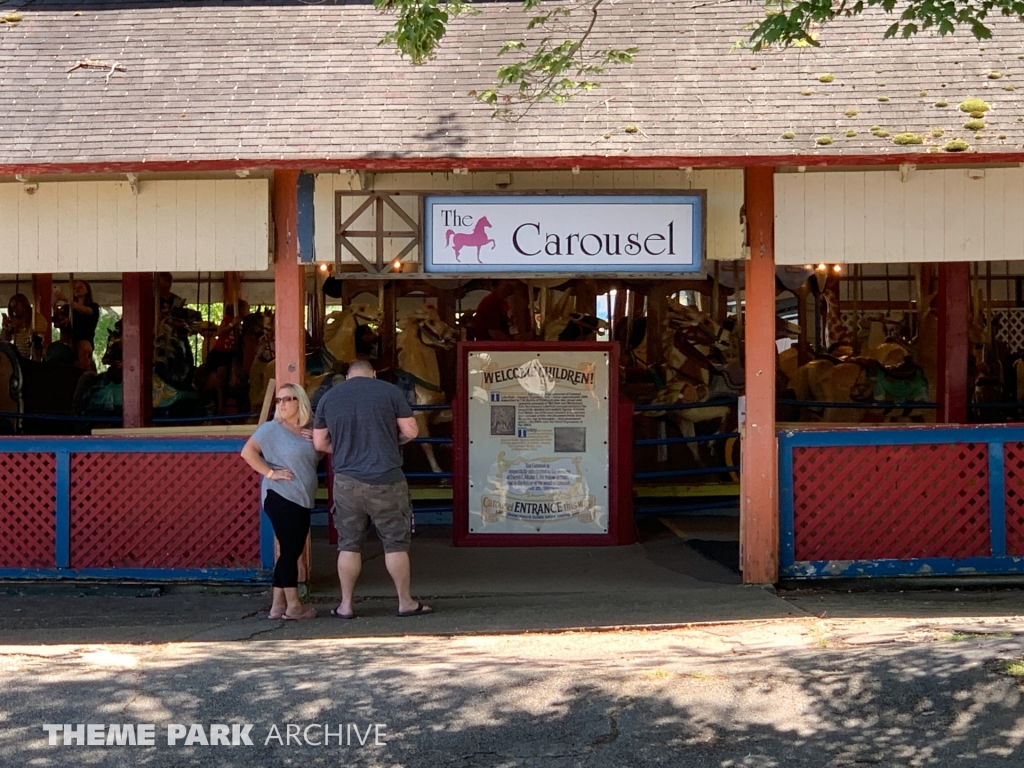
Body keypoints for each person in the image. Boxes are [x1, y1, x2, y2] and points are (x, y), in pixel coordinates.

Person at [313, 359, 432, 619]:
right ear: (374, 374)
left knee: (348, 544)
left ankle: (346, 606)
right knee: (395, 543)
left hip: (346, 482)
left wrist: (343, 450)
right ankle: (405, 602)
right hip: (387, 479)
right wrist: (391, 441)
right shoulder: (390, 392)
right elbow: (411, 431)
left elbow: (319, 443)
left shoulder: (329, 397)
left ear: (348, 376)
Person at [241, 383, 320, 620]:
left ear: (300, 401)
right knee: (290, 550)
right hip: (281, 495)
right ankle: (294, 606)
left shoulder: (309, 430)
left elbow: (316, 456)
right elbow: (247, 452)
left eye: (288, 399)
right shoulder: (271, 429)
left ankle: (277, 606)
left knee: (289, 551)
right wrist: (270, 473)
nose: (282, 404)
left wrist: (316, 440)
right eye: (279, 400)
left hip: (302, 497)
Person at [54, 280, 99, 371]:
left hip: (84, 340)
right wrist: (54, 304)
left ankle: (83, 370)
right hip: (69, 340)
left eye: (80, 287)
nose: (77, 289)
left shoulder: (93, 306)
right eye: (75, 288)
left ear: (87, 290)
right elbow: (59, 317)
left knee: (83, 346)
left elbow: (85, 310)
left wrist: (66, 299)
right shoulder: (68, 308)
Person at [1, 294, 38, 360]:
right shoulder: (13, 321)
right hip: (18, 359)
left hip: (33, 359)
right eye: (12, 308)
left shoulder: (36, 318)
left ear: (24, 304)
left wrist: (21, 325)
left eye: (16, 306)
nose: (14, 309)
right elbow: (4, 342)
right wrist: (5, 328)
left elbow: (37, 339)